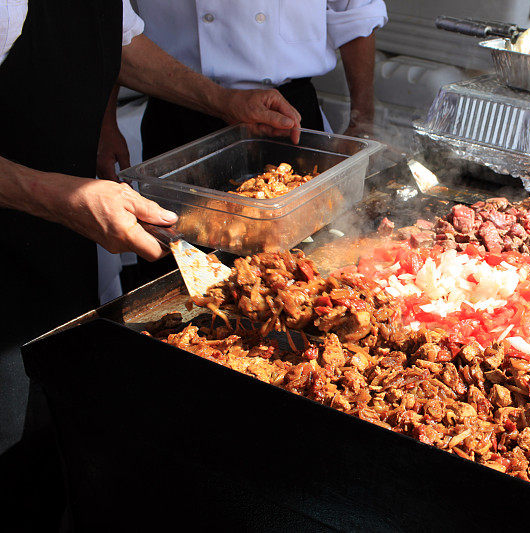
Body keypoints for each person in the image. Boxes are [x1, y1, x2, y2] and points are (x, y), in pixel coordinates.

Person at [0, 1, 301, 529]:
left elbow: (120, 45)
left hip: (55, 241)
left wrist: (225, 101)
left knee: (50, 440)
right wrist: (57, 195)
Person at [96, 0, 388, 178]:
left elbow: (354, 13)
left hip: (289, 118)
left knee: (305, 259)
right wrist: (105, 123)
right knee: (179, 261)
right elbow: (113, 27)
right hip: (178, 115)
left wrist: (362, 122)